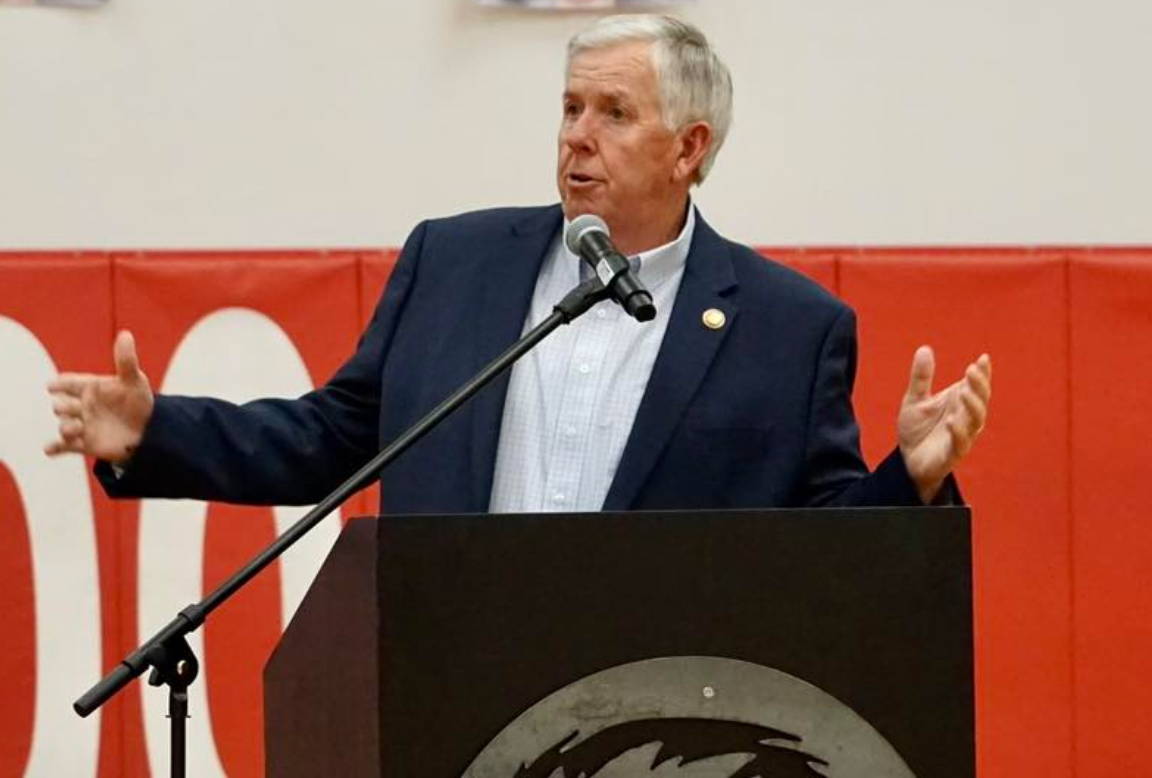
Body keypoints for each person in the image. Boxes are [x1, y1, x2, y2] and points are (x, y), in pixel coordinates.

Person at [45, 15, 992, 514]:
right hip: (447, 682)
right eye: (570, 108)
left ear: (689, 148)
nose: (577, 137)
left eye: (613, 114)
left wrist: (906, 478)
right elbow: (333, 438)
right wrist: (154, 432)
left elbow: (822, 546)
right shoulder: (453, 264)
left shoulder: (788, 328)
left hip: (652, 710)